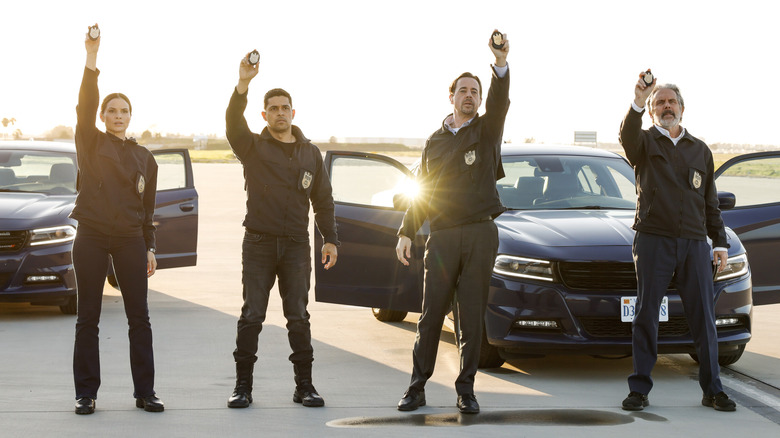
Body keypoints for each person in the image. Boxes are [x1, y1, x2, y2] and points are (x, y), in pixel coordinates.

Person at [395, 31, 510, 415]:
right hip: (442, 237)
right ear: (452, 96)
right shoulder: (434, 141)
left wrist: (499, 64)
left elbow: (499, 101)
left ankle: (466, 390)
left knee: (471, 318)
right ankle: (416, 387)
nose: (470, 96)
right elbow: (422, 190)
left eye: (475, 91)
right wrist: (407, 231)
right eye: (463, 90)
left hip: (480, 232)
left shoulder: (487, 129)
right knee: (430, 315)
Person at [225, 51, 339, 409]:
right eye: (272, 108)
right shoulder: (253, 148)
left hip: (295, 246)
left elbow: (323, 200)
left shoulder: (310, 154)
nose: (279, 112)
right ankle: (243, 387)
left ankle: (304, 386)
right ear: (264, 115)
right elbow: (232, 123)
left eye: (284, 107)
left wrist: (330, 239)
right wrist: (242, 84)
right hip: (258, 242)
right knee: (252, 315)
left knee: (298, 316)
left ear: (293, 112)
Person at [619, 72, 736, 412]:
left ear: (682, 108)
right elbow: (626, 134)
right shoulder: (643, 143)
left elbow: (709, 202)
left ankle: (713, 390)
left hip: (694, 243)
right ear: (652, 110)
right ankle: (639, 389)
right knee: (646, 315)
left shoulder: (700, 150)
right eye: (660, 102)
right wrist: (637, 101)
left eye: (671, 101)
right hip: (654, 240)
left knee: (703, 318)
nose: (666, 106)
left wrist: (719, 242)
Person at [72, 25, 163, 415]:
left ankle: (145, 392)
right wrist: (92, 60)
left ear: (130, 116)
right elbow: (84, 105)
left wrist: (150, 248)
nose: (117, 116)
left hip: (129, 239)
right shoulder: (90, 142)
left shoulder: (146, 158)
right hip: (91, 236)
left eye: (123, 111)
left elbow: (148, 210)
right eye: (111, 111)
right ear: (103, 116)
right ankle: (86, 394)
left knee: (138, 318)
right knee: (87, 317)